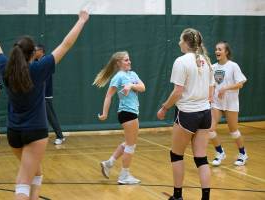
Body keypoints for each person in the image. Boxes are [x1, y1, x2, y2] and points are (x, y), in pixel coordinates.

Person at [0, 0, 89, 199]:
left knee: (36, 172)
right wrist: (81, 20)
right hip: (35, 131)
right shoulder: (39, 69)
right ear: (33, 53)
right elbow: (66, 44)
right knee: (24, 180)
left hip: (14, 132)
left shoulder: (5, 66)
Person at [157, 28, 214, 200]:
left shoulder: (181, 61)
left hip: (187, 114)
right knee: (201, 158)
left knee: (176, 154)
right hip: (205, 113)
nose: (178, 43)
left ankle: (178, 196)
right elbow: (211, 91)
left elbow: (177, 92)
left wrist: (164, 108)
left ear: (187, 42)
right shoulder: (207, 61)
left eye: (180, 40)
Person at [93, 51, 145, 185]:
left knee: (128, 143)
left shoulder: (132, 74)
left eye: (129, 59)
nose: (129, 62)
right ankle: (124, 175)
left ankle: (109, 163)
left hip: (133, 112)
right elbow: (108, 96)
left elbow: (143, 87)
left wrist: (131, 85)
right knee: (131, 145)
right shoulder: (119, 76)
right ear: (118, 63)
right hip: (126, 113)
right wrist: (104, 113)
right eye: (126, 60)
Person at [209, 41, 248, 166]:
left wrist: (225, 88)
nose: (217, 51)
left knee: (233, 131)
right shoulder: (213, 67)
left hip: (231, 103)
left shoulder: (233, 66)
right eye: (216, 49)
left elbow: (240, 83)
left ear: (226, 52)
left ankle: (243, 154)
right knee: (210, 130)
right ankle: (220, 152)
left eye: (220, 49)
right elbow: (212, 84)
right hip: (217, 103)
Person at [34, 44, 66, 145]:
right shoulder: (35, 62)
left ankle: (60, 137)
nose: (34, 52)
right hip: (36, 95)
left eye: (35, 50)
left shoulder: (46, 62)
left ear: (41, 51)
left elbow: (45, 80)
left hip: (45, 95)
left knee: (50, 116)